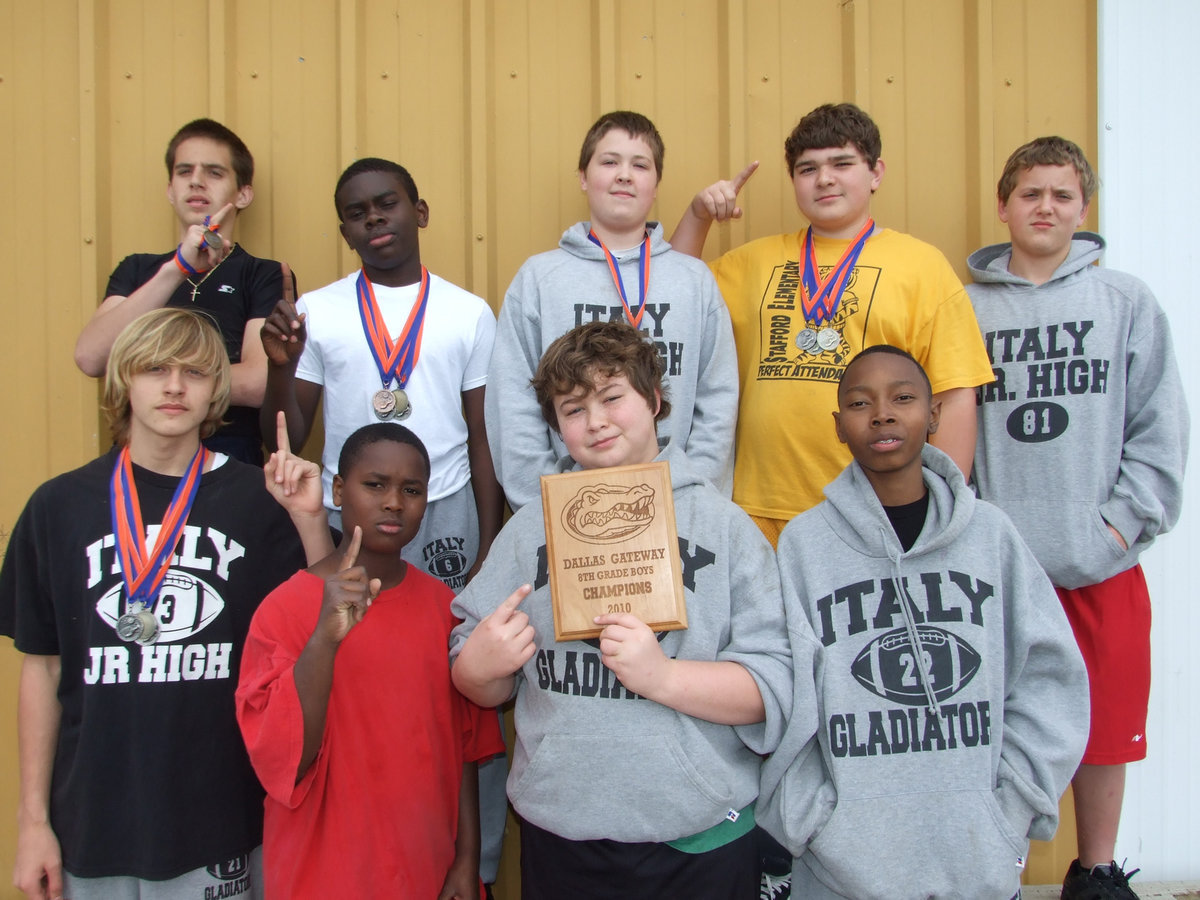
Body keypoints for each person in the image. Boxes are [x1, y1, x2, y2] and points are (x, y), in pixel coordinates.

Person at [450, 320, 798, 899]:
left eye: (613, 397)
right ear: (557, 427)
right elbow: (477, 680)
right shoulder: (530, 528)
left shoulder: (725, 527)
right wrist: (479, 666)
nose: (597, 421)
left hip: (698, 836)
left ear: (656, 400)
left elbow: (772, 688)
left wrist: (663, 676)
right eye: (572, 409)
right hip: (561, 831)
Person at [759, 345, 1089, 899]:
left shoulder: (991, 536)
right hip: (839, 871)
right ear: (839, 426)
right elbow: (782, 695)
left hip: (977, 862)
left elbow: (1049, 681)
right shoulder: (804, 546)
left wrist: (1009, 812)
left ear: (935, 413)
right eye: (860, 403)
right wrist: (815, 822)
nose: (882, 414)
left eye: (903, 398)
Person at [1, 308, 306, 900]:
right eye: (154, 369)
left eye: (193, 371)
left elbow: (315, 635)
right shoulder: (57, 508)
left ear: (217, 387)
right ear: (124, 380)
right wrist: (32, 822)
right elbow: (42, 669)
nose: (173, 386)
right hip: (93, 826)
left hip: (225, 823)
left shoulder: (259, 500)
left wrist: (309, 518)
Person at [966, 136, 1189, 900]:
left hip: (1099, 563)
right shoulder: (966, 307)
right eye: (1031, 193)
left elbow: (1161, 429)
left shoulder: (1123, 301)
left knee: (1106, 728)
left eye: (1062, 195)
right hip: (998, 569)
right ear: (1004, 205)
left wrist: (1122, 528)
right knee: (993, 729)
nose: (1045, 207)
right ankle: (997, 870)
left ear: (1083, 210)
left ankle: (1096, 872)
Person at [670, 102, 993, 547]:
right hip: (755, 509)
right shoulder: (753, 262)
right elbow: (673, 297)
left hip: (870, 508)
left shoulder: (923, 266)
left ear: (876, 172)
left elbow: (956, 393)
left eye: (842, 163)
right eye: (808, 169)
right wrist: (698, 216)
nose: (824, 179)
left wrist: (939, 503)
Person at [236, 423, 504, 899]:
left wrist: (467, 861)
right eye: (375, 484)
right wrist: (324, 639)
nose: (394, 503)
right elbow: (286, 761)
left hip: (426, 870)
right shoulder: (283, 610)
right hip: (323, 874)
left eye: (412, 490)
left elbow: (465, 748)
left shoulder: (446, 610)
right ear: (338, 489)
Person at [259, 157, 502, 594]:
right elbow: (288, 440)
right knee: (354, 639)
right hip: (349, 509)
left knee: (442, 640)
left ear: (420, 213)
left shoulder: (469, 313)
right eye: (357, 213)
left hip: (444, 505)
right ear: (345, 234)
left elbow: (483, 437)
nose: (373, 217)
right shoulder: (318, 311)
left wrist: (488, 543)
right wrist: (281, 369)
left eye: (387, 203)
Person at [486, 110, 738, 510]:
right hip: (568, 509)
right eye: (609, 161)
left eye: (640, 165)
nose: (625, 174)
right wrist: (544, 505)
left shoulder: (694, 280)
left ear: (655, 185)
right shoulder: (539, 278)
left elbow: (718, 396)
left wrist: (695, 496)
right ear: (583, 178)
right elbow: (512, 403)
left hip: (678, 504)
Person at [74, 118, 289, 465]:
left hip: (227, 459)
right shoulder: (138, 270)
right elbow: (91, 357)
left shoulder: (262, 274)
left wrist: (148, 378)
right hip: (138, 462)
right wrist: (177, 269)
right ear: (170, 189)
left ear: (243, 194)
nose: (196, 181)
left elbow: (257, 382)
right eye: (184, 171)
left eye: (214, 173)